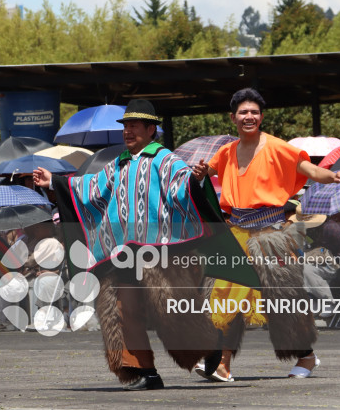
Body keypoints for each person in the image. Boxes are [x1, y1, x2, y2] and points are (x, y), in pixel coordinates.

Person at [34, 99, 232, 391]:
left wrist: (196, 180)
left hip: (159, 251)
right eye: (125, 126)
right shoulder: (119, 163)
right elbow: (90, 189)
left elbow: (183, 187)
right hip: (123, 255)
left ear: (151, 129)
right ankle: (144, 371)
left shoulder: (166, 160)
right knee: (122, 309)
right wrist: (56, 182)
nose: (128, 132)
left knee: (171, 310)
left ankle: (211, 345)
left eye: (134, 126)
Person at [191, 88, 340, 381]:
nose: (248, 116)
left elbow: (312, 171)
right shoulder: (226, 151)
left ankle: (306, 355)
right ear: (233, 118)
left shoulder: (278, 147)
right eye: (243, 112)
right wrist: (200, 173)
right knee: (224, 293)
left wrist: (334, 176)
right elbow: (205, 172)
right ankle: (223, 363)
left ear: (261, 117)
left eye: (254, 112)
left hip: (271, 234)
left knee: (281, 300)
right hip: (237, 233)